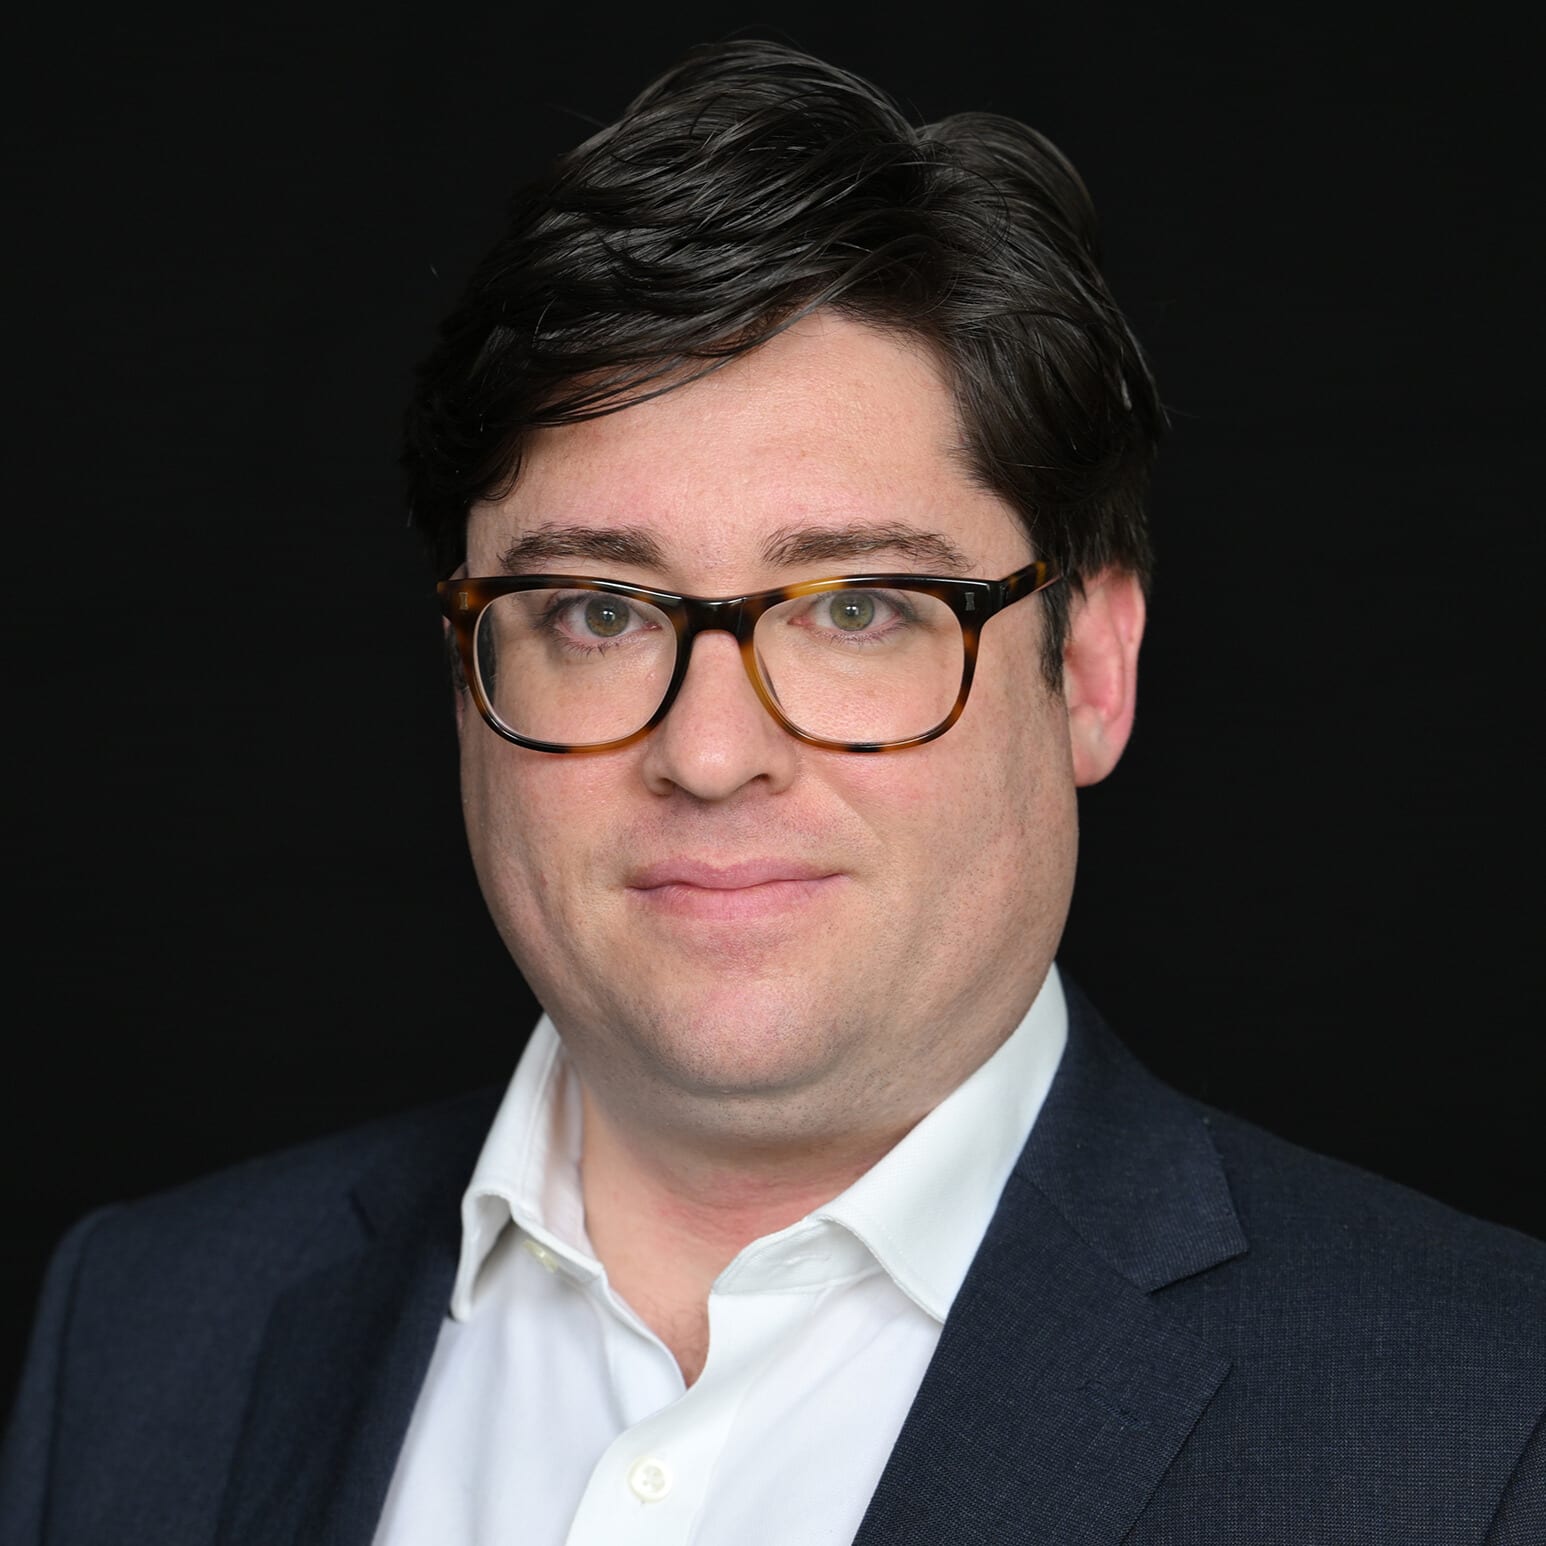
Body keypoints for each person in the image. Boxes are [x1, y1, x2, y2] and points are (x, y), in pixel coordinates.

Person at [2, 37, 1542, 1546]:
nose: (710, 751)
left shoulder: (1479, 1422)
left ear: (1087, 671)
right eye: (597, 611)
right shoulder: (142, 1328)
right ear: (465, 669)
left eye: (856, 607)